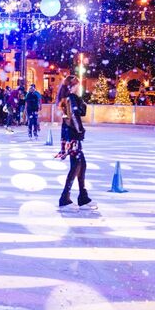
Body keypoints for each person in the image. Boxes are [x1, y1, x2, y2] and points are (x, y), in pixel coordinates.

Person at [56, 76, 95, 210]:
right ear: (72, 86)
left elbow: (79, 112)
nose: (79, 87)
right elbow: (74, 115)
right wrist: (80, 131)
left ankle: (82, 196)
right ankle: (65, 198)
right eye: (77, 85)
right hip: (73, 134)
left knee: (81, 164)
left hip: (69, 134)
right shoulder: (71, 98)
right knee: (76, 165)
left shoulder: (68, 98)